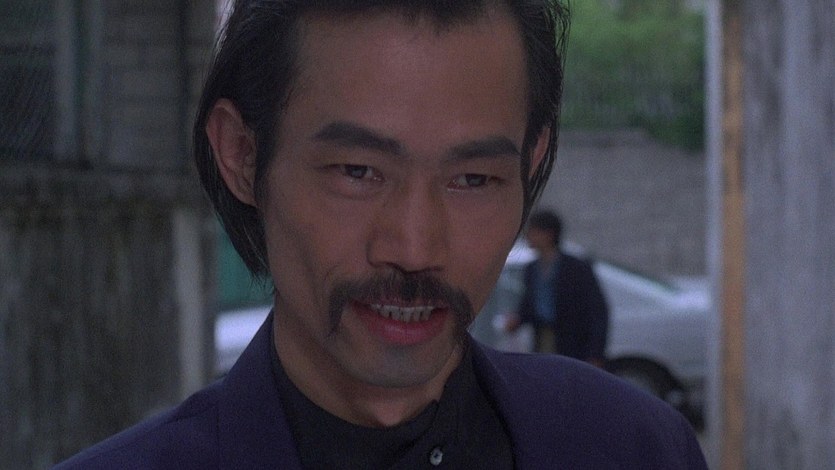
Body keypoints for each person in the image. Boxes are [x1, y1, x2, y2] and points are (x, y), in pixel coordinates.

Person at [57, 0, 707, 468]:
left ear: (530, 165)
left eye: (473, 179)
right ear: (242, 156)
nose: (416, 249)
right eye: (357, 172)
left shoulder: (632, 448)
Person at [506, 210, 609, 366]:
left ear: (548, 234)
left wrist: (595, 353)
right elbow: (531, 303)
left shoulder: (576, 268)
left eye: (533, 231)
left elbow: (597, 311)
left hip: (572, 342)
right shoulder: (532, 269)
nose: (528, 236)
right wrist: (517, 320)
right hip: (543, 337)